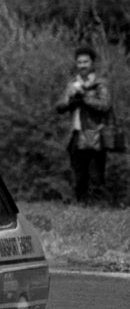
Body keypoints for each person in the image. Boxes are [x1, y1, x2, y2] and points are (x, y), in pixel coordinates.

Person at [56, 45, 112, 203]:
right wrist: (71, 100)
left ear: (92, 63)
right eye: (79, 62)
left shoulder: (100, 84)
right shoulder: (72, 83)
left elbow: (105, 105)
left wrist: (84, 97)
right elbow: (59, 106)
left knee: (96, 175)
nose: (82, 65)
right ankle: (81, 207)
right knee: (78, 176)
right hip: (75, 134)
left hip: (94, 133)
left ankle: (100, 208)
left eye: (85, 62)